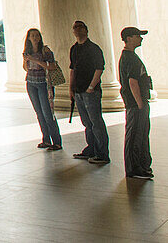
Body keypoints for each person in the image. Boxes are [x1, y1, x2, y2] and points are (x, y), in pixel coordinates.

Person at [70, 19, 110, 165]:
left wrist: (91, 87)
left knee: (96, 122)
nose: (77, 29)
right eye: (75, 27)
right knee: (87, 122)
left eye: (80, 27)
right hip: (79, 91)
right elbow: (73, 69)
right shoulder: (74, 48)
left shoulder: (93, 48)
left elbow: (100, 68)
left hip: (90, 91)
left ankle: (102, 153)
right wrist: (71, 88)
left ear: (86, 30)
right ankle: (91, 149)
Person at [118, 26, 154, 180]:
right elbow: (132, 82)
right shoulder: (130, 58)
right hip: (136, 104)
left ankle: (142, 166)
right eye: (138, 35)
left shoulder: (128, 57)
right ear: (129, 38)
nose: (141, 38)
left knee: (140, 134)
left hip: (136, 103)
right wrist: (140, 103)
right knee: (135, 135)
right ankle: (134, 169)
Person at [22, 28, 63, 151]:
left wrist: (36, 60)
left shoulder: (45, 51)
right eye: (32, 36)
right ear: (29, 38)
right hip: (31, 83)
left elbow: (52, 66)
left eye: (36, 35)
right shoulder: (27, 51)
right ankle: (46, 139)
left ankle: (56, 141)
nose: (34, 38)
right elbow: (25, 68)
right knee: (39, 113)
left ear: (39, 37)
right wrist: (26, 61)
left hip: (43, 84)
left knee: (48, 113)